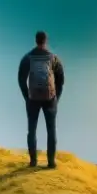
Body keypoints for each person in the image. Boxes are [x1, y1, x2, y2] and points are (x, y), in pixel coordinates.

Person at [17, 30, 65, 168]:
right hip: (50, 98)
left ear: (35, 40)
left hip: (33, 98)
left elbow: (21, 79)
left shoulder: (27, 57)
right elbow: (61, 80)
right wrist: (56, 98)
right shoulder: (53, 58)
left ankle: (33, 162)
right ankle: (51, 162)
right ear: (46, 40)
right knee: (51, 130)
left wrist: (27, 97)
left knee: (32, 130)